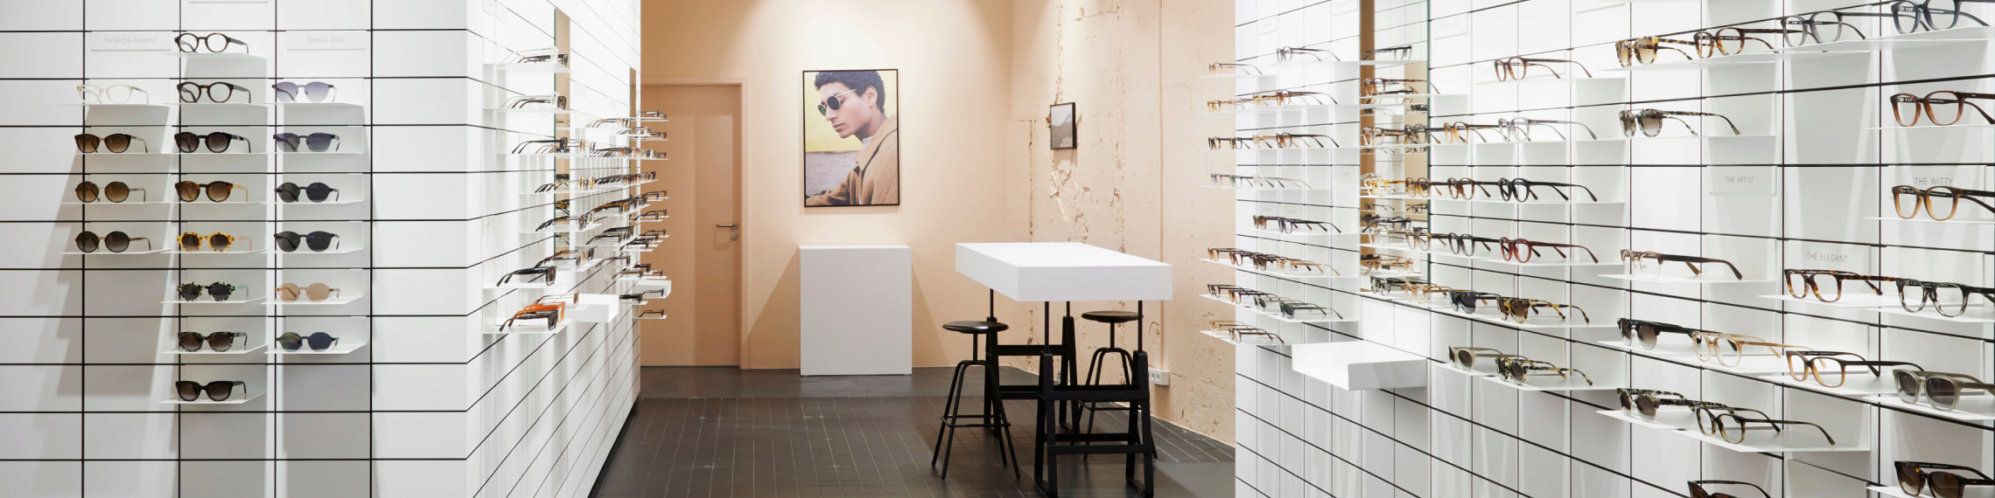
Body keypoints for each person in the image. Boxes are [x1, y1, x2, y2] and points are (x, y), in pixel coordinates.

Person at [806, 70, 899, 206]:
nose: (828, 116)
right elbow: (833, 199)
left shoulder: (894, 152)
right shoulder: (872, 150)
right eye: (823, 108)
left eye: (836, 102)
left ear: (869, 97)